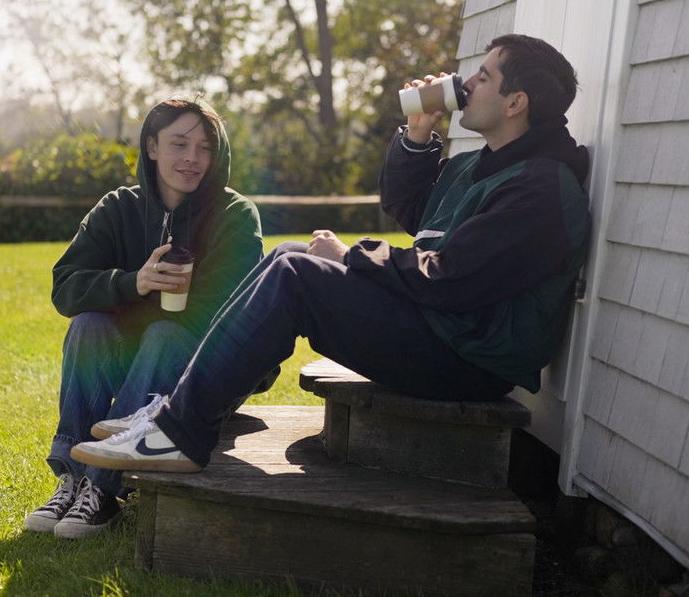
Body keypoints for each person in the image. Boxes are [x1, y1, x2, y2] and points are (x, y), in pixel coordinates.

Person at [68, 33, 591, 475]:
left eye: (484, 76)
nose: (467, 84)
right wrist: (417, 136)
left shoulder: (540, 188)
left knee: (297, 273)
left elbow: (450, 277)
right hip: (443, 329)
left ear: (516, 103)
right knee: (289, 254)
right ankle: (175, 412)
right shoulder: (484, 165)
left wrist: (349, 256)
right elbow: (413, 210)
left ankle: (178, 433)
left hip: (468, 359)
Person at [23, 99, 264, 539]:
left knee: (165, 334)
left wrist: (161, 300)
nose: (192, 158)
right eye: (179, 144)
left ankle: (103, 487)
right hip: (132, 365)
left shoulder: (235, 215)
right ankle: (74, 477)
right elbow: (65, 287)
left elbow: (232, 317)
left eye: (205, 147)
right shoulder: (118, 208)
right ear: (152, 147)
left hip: (202, 378)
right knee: (88, 326)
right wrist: (133, 282)